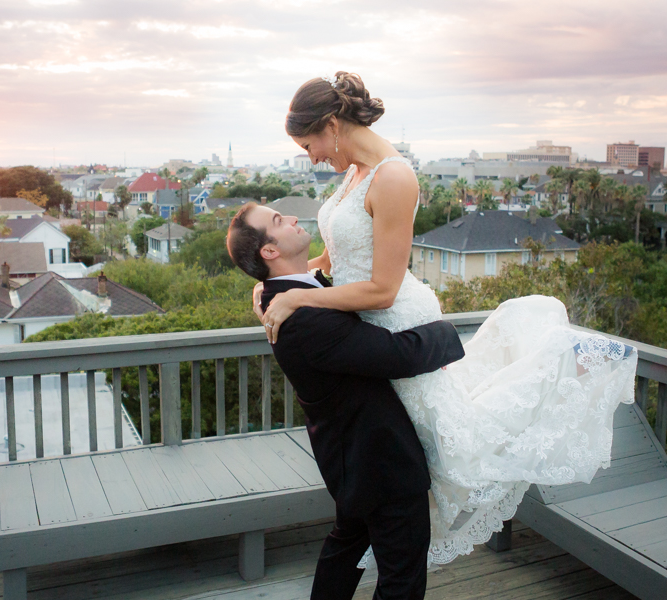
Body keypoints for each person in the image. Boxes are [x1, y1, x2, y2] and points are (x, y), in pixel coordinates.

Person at [257, 71, 639, 568]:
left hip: (394, 316)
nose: (311, 158)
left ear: (331, 124)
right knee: (423, 446)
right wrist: (280, 286)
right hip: (367, 317)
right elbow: (335, 257)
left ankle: (566, 358)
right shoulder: (353, 171)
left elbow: (382, 288)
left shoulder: (394, 176)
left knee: (460, 440)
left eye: (309, 144)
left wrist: (299, 302)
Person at [226, 202, 466, 599]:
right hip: (378, 460)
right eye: (277, 221)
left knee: (347, 545)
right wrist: (447, 331)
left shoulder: (294, 293)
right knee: (401, 576)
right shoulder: (303, 320)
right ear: (269, 251)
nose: (290, 219)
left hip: (352, 456)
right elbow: (398, 355)